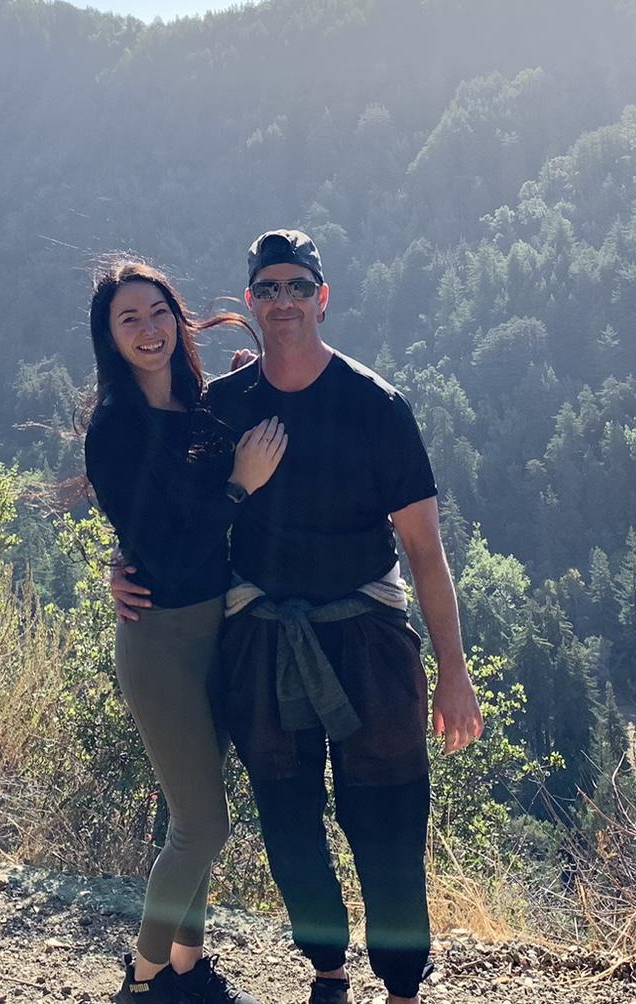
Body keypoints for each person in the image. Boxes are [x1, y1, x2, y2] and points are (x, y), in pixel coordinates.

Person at [115, 231, 483, 1004]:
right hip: (259, 636)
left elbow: (424, 551)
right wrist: (125, 566)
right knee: (288, 824)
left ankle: (404, 986)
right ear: (251, 300)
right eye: (269, 287)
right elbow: (163, 509)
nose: (283, 300)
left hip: (369, 637)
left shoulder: (376, 406)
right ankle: (327, 971)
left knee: (386, 822)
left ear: (323, 296)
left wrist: (454, 672)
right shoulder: (224, 407)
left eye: (297, 286)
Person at [84, 258, 288, 1004]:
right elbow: (167, 547)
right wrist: (240, 484)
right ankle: (141, 979)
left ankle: (186, 967)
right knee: (204, 825)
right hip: (162, 642)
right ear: (108, 337)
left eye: (157, 311)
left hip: (216, 631)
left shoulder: (198, 406)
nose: (148, 329)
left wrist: (246, 384)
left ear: (177, 317)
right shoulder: (113, 429)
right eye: (127, 319)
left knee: (190, 813)